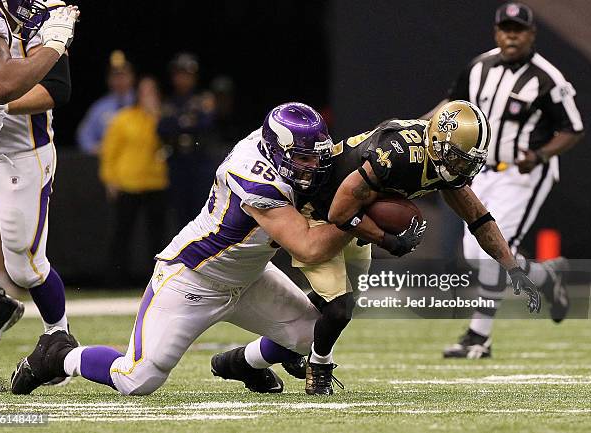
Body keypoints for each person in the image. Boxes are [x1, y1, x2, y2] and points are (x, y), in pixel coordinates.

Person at [10, 102, 361, 396]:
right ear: (275, 151)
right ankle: (59, 355)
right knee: (137, 378)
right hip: (193, 278)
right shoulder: (254, 176)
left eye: (315, 157)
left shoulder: (276, 149)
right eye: (304, 159)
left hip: (249, 276)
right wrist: (355, 216)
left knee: (310, 334)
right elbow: (309, 248)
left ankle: (242, 364)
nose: (314, 167)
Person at [215, 100, 542, 395]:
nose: (461, 170)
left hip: (353, 217)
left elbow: (479, 217)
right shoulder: (397, 155)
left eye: (467, 162)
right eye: (457, 160)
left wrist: (511, 267)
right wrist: (388, 241)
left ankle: (242, 362)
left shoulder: (441, 161)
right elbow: (339, 213)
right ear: (437, 144)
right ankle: (319, 367)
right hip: (318, 212)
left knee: (331, 311)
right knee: (338, 309)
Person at [425, 2, 584, 359]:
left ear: (532, 34)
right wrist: (417, 128)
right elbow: (453, 105)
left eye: (519, 29)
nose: (512, 35)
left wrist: (541, 154)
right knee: (475, 250)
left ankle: (478, 336)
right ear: (497, 31)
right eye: (506, 28)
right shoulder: (479, 66)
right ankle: (544, 277)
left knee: (494, 250)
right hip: (481, 171)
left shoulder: (548, 78)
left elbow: (573, 128)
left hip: (522, 174)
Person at [0, 0, 79, 358]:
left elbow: (56, 91)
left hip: (19, 154)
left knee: (24, 267)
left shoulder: (43, 11)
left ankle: (58, 336)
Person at [99, 77, 169, 285]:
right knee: (122, 234)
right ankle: (116, 280)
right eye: (144, 91)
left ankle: (156, 280)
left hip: (156, 183)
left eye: (152, 91)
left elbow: (166, 144)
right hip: (128, 183)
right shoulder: (124, 118)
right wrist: (109, 179)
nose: (148, 96)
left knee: (157, 235)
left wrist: (157, 117)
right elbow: (110, 151)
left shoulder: (163, 119)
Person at [157, 52, 217, 230]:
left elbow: (206, 123)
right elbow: (162, 128)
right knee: (179, 215)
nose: (182, 79)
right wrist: (187, 122)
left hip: (199, 161)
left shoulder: (203, 99)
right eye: (179, 74)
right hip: (176, 162)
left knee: (202, 213)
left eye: (187, 74)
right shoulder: (168, 102)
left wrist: (180, 123)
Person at [76, 50, 135, 155]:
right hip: (109, 163)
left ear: (132, 77)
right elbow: (84, 135)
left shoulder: (140, 101)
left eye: (123, 75)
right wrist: (94, 148)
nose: (119, 80)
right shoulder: (100, 107)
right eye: (115, 76)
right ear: (109, 79)